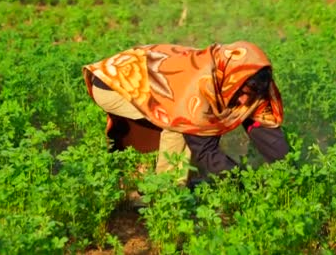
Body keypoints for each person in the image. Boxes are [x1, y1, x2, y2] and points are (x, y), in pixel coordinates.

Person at [82, 41, 289, 184]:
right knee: (181, 126)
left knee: (193, 127)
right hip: (114, 84)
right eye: (243, 93)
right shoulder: (200, 84)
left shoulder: (246, 75)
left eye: (251, 96)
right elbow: (205, 149)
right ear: (234, 80)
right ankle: (166, 191)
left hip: (142, 78)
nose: (245, 101)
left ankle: (186, 178)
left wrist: (290, 172)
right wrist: (243, 182)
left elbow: (265, 129)